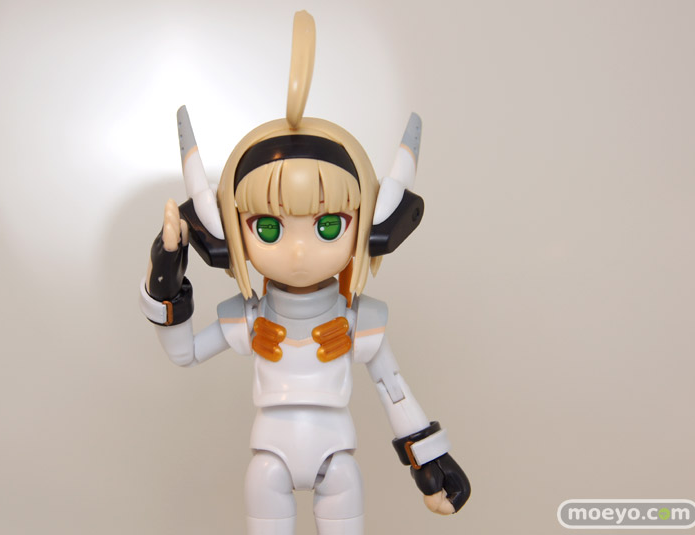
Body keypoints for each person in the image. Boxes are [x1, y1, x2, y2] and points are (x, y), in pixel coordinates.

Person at [138, 11, 470, 535]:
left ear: (371, 227)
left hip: (337, 455)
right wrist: (165, 276)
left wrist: (429, 461)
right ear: (226, 234)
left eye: (328, 225)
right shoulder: (249, 318)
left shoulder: (360, 322)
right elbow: (184, 353)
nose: (297, 250)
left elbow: (394, 389)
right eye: (268, 227)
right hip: (268, 456)